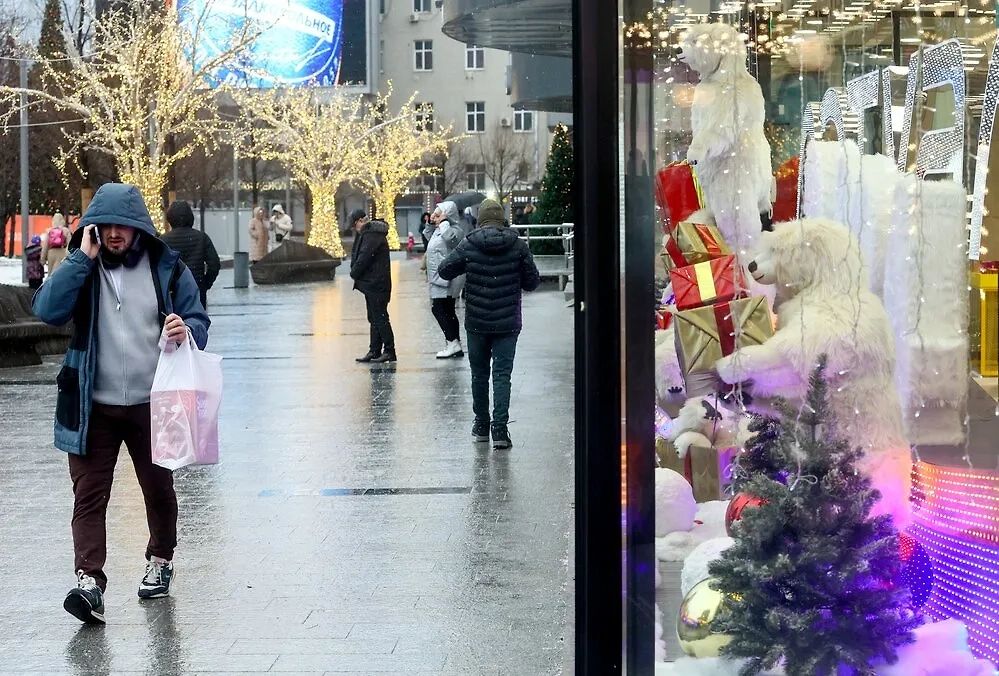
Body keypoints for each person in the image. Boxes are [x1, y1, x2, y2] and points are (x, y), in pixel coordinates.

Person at [31, 183, 210, 624]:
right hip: (92, 405)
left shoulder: (167, 268)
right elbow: (47, 310)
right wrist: (80, 258)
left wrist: (184, 330)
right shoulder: (84, 268)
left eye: (122, 226)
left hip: (155, 403)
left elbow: (199, 319)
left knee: (158, 490)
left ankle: (160, 561)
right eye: (105, 225)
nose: (114, 234)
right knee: (89, 496)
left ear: (138, 228)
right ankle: (89, 582)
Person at [439, 199, 540, 449]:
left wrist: (468, 264)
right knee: (502, 375)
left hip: (477, 322)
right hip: (507, 322)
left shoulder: (469, 243)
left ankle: (481, 425)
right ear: (502, 219)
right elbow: (532, 281)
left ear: (481, 219)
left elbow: (444, 270)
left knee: (479, 374)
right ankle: (500, 430)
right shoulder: (517, 244)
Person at [349, 211, 396, 363]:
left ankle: (389, 350)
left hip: (376, 283)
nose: (354, 228)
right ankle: (375, 350)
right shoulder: (368, 233)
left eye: (354, 224)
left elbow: (364, 256)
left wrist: (354, 272)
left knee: (380, 317)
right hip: (373, 283)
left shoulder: (371, 235)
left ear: (360, 221)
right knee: (374, 317)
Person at [161, 200, 221, 309]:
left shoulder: (163, 241)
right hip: (197, 289)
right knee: (197, 322)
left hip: (172, 292)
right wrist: (205, 284)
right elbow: (214, 264)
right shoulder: (202, 238)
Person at [425, 207, 464, 359]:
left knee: (439, 308)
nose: (436, 216)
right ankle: (455, 343)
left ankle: (452, 342)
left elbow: (452, 241)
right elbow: (428, 237)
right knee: (447, 309)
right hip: (438, 275)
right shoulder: (438, 229)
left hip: (446, 276)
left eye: (438, 212)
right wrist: (430, 222)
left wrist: (445, 222)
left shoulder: (455, 229)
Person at [43, 212, 72, 276]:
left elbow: (45, 246)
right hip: (62, 253)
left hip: (51, 253)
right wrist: (68, 255)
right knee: (61, 273)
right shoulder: (66, 231)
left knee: (51, 274)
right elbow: (70, 245)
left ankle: (51, 285)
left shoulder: (50, 231)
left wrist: (42, 259)